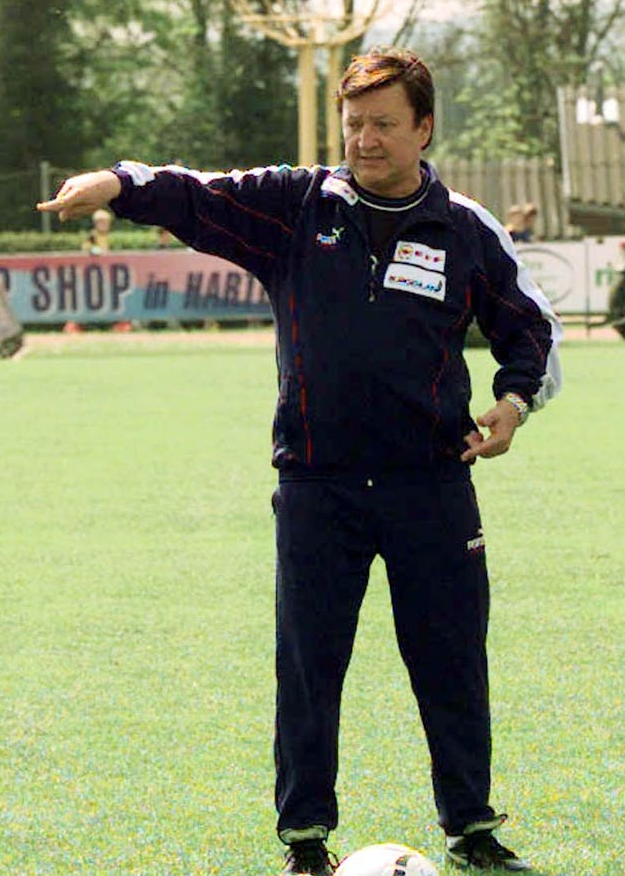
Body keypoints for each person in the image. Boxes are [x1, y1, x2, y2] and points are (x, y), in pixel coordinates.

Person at [37, 46, 561, 876]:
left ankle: (473, 827)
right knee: (309, 665)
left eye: (385, 124)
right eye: (354, 124)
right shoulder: (297, 205)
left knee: (452, 660)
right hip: (316, 483)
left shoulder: (462, 228)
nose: (365, 140)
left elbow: (530, 329)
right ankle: (305, 839)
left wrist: (514, 402)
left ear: (424, 128)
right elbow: (197, 194)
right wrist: (119, 182)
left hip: (432, 482)